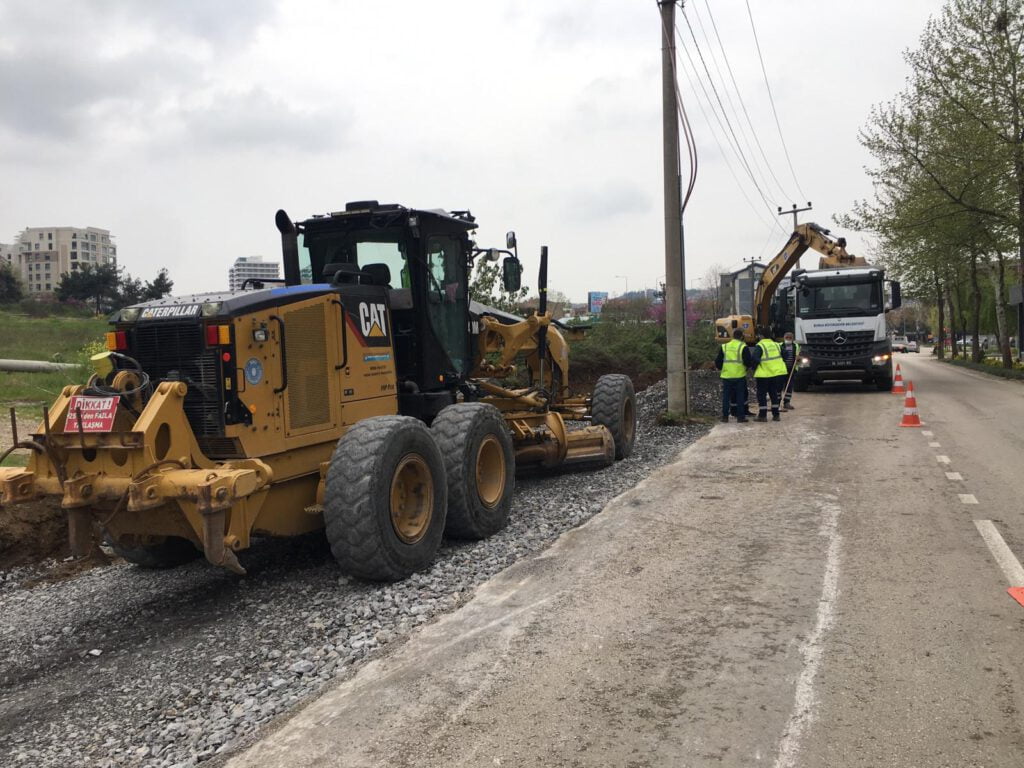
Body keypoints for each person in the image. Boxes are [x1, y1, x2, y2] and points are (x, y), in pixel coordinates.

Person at [714, 329, 752, 423]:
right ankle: (740, 417)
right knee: (740, 396)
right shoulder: (743, 346)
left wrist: (722, 368)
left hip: (727, 375)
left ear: (733, 335)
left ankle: (725, 417)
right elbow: (748, 361)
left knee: (726, 397)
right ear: (742, 336)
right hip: (739, 375)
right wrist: (747, 368)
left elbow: (718, 361)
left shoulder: (725, 346)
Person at [750, 334, 787, 422]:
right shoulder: (776, 344)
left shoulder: (760, 345)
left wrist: (754, 368)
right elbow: (785, 354)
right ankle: (776, 415)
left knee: (761, 395)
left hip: (764, 374)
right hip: (775, 373)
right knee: (773, 394)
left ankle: (762, 415)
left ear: (761, 336)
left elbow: (755, 358)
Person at [779, 332, 800, 410]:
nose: (788, 339)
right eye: (786, 338)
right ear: (784, 338)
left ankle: (787, 402)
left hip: (791, 369)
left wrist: (798, 359)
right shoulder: (780, 345)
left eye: (790, 338)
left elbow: (798, 357)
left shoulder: (796, 346)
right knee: (779, 386)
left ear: (792, 338)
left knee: (789, 386)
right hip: (782, 369)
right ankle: (777, 402)